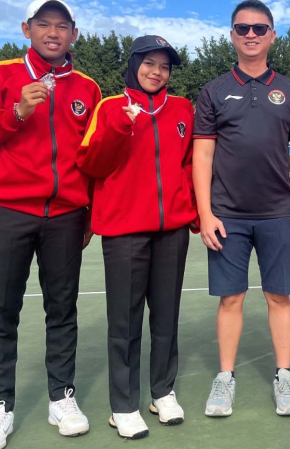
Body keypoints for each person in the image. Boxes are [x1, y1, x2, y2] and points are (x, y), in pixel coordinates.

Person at [0, 0, 101, 449]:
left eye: (63, 26)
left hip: (64, 216)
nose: (53, 33)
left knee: (62, 311)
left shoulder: (88, 88)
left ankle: (61, 397)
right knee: (1, 314)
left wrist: (90, 213)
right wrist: (17, 112)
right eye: (44, 24)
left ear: (74, 34)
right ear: (27, 28)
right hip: (9, 213)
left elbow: (92, 158)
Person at [192, 0, 290, 418]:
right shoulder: (213, 90)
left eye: (260, 28)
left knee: (279, 296)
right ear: (232, 36)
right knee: (231, 299)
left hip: (278, 212)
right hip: (228, 215)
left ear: (272, 35)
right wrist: (205, 213)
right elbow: (202, 156)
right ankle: (225, 378)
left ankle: (283, 374)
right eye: (242, 28)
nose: (251, 35)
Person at [76, 36, 197, 439]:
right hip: (124, 231)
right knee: (124, 322)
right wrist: (119, 126)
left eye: (164, 66)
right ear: (134, 65)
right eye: (149, 63)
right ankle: (123, 404)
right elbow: (91, 163)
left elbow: (187, 164)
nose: (156, 72)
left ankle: (162, 391)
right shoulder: (109, 108)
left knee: (166, 316)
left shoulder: (181, 109)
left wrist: (191, 212)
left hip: (172, 231)